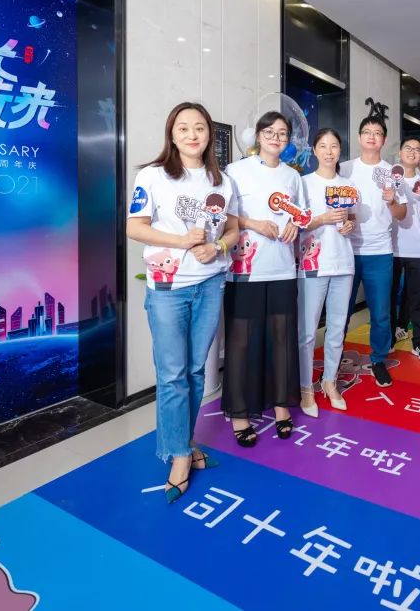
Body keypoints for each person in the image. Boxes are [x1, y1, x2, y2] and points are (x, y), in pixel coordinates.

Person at [126, 101, 239, 503]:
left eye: (200, 128)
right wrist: (182, 241)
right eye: (183, 128)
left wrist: (218, 246)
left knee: (194, 372)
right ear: (172, 135)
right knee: (173, 374)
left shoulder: (222, 182)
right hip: (168, 288)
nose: (192, 135)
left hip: (210, 284)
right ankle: (177, 453)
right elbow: (134, 226)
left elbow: (233, 228)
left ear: (210, 135)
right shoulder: (153, 175)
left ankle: (184, 442)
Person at [222, 111, 304, 447]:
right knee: (241, 342)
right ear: (257, 135)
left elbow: (301, 215)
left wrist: (295, 224)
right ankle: (240, 414)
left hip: (283, 267)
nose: (276, 138)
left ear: (288, 140)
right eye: (269, 132)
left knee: (282, 338)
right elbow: (225, 216)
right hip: (245, 269)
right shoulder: (235, 171)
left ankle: (281, 406)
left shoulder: (292, 176)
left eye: (282, 133)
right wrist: (254, 224)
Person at [342, 116, 408, 387]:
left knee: (380, 312)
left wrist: (392, 201)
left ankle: (379, 359)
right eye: (367, 132)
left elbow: (402, 214)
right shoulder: (344, 169)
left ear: (383, 139)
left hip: (380, 251)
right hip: (345, 250)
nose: (371, 136)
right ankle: (334, 360)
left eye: (377, 132)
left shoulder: (394, 173)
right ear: (359, 137)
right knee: (341, 312)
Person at [297, 128, 356, 416]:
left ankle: (329, 381)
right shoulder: (303, 184)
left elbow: (351, 219)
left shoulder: (347, 185)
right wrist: (322, 218)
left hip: (343, 262)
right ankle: (304, 386)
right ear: (314, 150)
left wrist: (349, 225)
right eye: (323, 146)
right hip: (312, 264)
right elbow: (297, 223)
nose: (329, 151)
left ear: (340, 150)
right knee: (308, 331)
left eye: (334, 146)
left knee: (337, 328)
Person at [390, 136, 420, 361]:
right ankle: (389, 337)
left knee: (417, 298)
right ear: (400, 152)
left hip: (417, 248)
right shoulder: (389, 179)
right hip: (390, 247)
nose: (413, 152)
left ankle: (419, 343)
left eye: (417, 149)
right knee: (389, 297)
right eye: (408, 148)